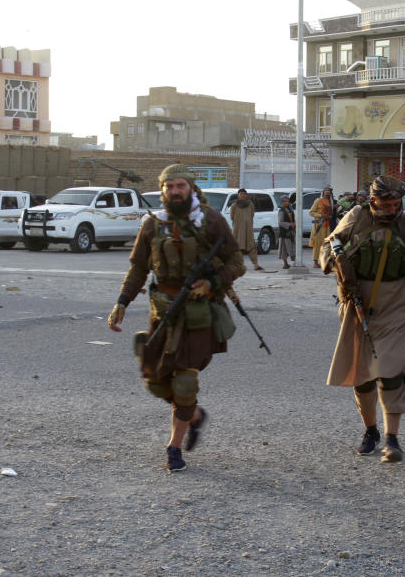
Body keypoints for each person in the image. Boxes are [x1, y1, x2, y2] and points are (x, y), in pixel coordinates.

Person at [107, 164, 245, 471]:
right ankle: (194, 416)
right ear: (162, 190)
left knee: (184, 382)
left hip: (199, 316)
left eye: (180, 185)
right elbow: (138, 269)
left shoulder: (211, 221)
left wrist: (211, 283)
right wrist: (122, 302)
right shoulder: (153, 225)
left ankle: (173, 447)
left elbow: (236, 262)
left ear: (191, 188)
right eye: (169, 186)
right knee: (155, 381)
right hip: (162, 312)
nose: (174, 191)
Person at [320, 176, 405, 463]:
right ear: (372, 201)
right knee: (362, 377)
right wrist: (335, 264)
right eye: (387, 204)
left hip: (397, 306)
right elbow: (329, 246)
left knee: (391, 371)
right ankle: (371, 431)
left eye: (397, 204)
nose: (393, 210)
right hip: (358, 306)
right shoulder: (356, 218)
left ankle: (392, 439)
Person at [229, 189, 264, 271]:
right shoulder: (234, 205)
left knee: (251, 247)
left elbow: (252, 215)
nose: (242, 195)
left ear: (246, 195)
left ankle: (256, 265)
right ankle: (237, 266)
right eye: (241, 194)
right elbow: (232, 217)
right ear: (238, 195)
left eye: (244, 194)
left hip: (248, 230)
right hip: (237, 230)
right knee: (237, 248)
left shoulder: (250, 205)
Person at [309, 186, 335, 268]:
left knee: (326, 245)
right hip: (319, 226)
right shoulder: (318, 200)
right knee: (317, 244)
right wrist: (320, 215)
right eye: (326, 190)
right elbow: (311, 212)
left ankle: (324, 261)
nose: (327, 192)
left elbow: (331, 214)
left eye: (329, 191)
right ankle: (315, 262)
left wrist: (329, 217)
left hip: (327, 226)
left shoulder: (330, 202)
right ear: (323, 192)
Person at [276, 195, 296, 269]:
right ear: (281, 202)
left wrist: (294, 224)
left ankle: (293, 261)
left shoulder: (290, 209)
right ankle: (285, 263)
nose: (285, 203)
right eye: (284, 201)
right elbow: (280, 223)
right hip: (284, 233)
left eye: (287, 201)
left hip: (291, 232)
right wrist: (289, 224)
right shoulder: (281, 211)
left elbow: (293, 219)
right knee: (284, 249)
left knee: (292, 247)